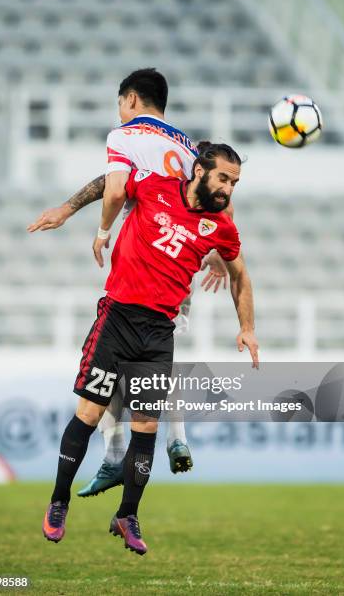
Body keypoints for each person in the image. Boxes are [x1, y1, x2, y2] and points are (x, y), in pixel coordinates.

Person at [27, 68, 252, 492]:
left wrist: (95, 228)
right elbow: (220, 204)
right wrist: (220, 256)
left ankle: (118, 456)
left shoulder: (126, 134)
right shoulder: (189, 147)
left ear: (130, 99)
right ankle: (169, 441)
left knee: (119, 359)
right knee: (154, 353)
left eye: (119, 104)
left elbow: (114, 189)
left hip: (146, 253)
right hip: (180, 259)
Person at [42, 142, 259, 555]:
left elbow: (240, 276)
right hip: (117, 318)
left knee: (146, 429)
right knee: (88, 414)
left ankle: (127, 515)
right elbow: (112, 183)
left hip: (159, 332)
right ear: (199, 170)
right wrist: (69, 210)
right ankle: (58, 501)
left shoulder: (222, 228)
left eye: (235, 183)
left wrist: (247, 327)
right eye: (224, 178)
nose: (229, 189)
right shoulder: (156, 186)